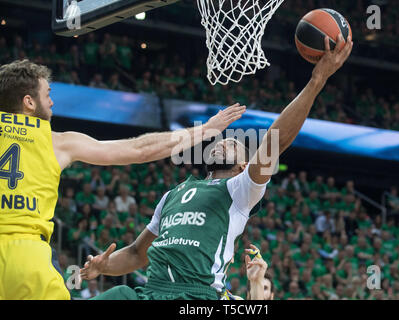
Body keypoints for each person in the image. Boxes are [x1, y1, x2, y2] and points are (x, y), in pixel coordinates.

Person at [80, 35, 353, 300]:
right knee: (119, 293)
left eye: (234, 143)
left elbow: (275, 141)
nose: (224, 143)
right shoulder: (173, 194)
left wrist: (317, 80)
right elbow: (136, 254)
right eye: (223, 140)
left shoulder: (241, 190)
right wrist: (103, 266)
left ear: (244, 165)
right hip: (151, 291)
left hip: (196, 295)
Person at [0, 59, 246, 300]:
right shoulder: (58, 141)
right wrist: (205, 130)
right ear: (29, 102)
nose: (52, 101)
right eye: (47, 94)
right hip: (26, 255)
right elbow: (139, 150)